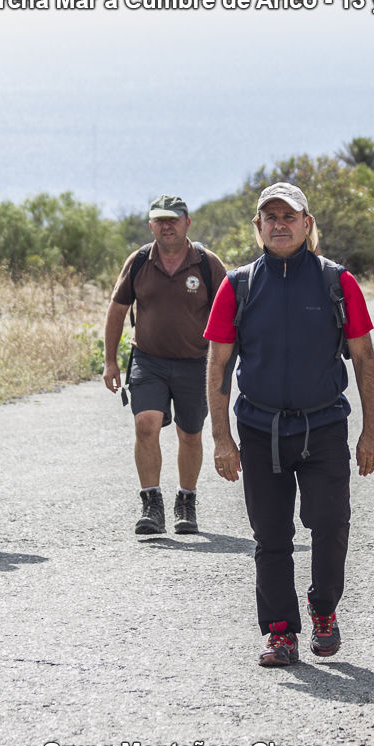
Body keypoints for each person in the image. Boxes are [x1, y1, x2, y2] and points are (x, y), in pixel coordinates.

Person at [205, 182, 374, 667]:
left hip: (323, 425)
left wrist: (372, 432)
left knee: (330, 524)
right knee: (271, 536)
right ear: (258, 227)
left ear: (307, 225)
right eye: (271, 217)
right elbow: (218, 365)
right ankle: (280, 631)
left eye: (289, 216)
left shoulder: (336, 282)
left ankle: (323, 608)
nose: (280, 224)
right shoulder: (237, 285)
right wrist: (222, 438)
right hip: (260, 431)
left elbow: (364, 358)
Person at [103, 195, 227, 536]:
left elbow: (230, 311)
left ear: (187, 222)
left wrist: (227, 361)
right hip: (149, 359)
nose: (167, 226)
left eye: (173, 219)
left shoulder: (206, 263)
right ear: (151, 226)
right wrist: (110, 361)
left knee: (190, 434)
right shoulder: (140, 261)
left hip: (196, 363)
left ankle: (186, 501)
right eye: (160, 220)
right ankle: (151, 502)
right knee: (146, 424)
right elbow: (116, 309)